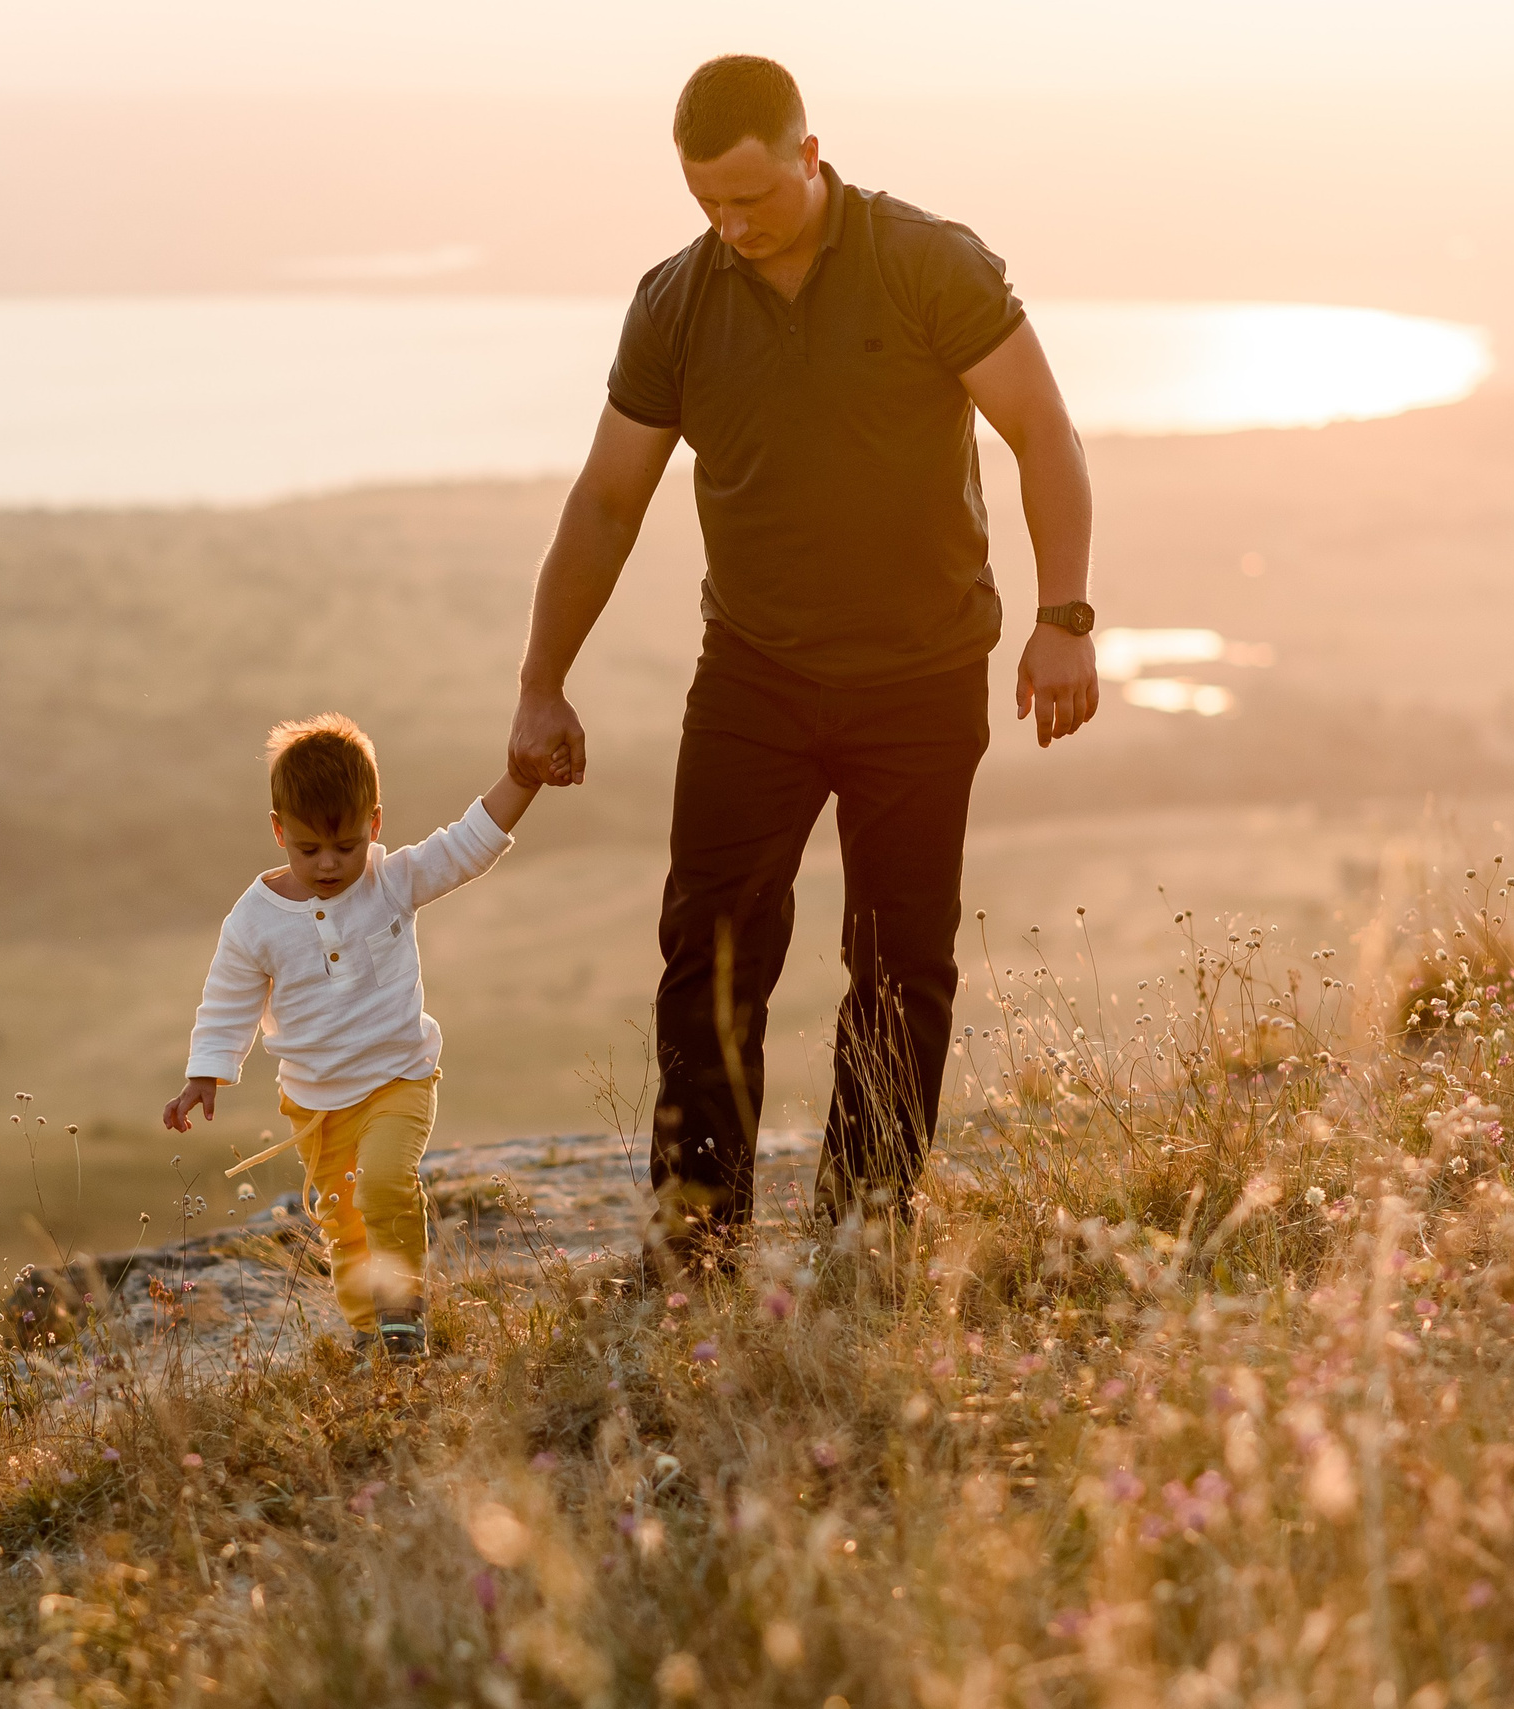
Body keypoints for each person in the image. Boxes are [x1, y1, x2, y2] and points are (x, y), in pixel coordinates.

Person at [504, 55, 1101, 1276]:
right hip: (754, 676)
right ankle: (698, 1239)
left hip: (921, 676)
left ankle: (862, 1229)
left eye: (750, 196)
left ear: (808, 153)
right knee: (707, 952)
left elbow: (1042, 427)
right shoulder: (674, 302)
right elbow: (608, 500)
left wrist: (1066, 615)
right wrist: (540, 678)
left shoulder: (927, 261)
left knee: (898, 961)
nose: (730, 223)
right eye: (704, 201)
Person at [164, 713, 540, 1358]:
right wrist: (206, 1072)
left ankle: (404, 1311)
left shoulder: (391, 882)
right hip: (316, 1105)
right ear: (280, 831)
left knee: (386, 1183)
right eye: (308, 849)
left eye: (347, 846)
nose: (331, 864)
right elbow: (229, 998)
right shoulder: (254, 920)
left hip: (399, 1076)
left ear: (375, 823)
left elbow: (465, 846)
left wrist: (521, 780)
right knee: (345, 1221)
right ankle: (374, 1332)